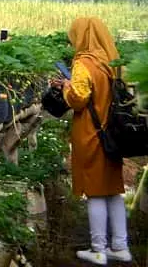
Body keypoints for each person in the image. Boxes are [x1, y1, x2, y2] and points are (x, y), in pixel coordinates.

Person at [53, 17, 130, 265]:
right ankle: (120, 246)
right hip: (113, 133)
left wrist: (66, 86)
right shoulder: (110, 62)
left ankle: (98, 249)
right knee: (113, 190)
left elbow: (78, 98)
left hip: (91, 134)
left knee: (94, 191)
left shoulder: (83, 63)